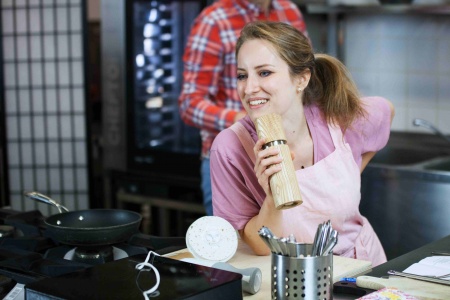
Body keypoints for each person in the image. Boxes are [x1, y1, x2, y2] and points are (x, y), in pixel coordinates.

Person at [210, 21, 395, 266]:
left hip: (364, 268)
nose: (250, 88)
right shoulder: (230, 147)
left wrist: (352, 170)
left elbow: (386, 110)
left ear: (301, 79)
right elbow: (257, 246)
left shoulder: (333, 119)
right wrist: (272, 199)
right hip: (296, 279)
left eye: (264, 72)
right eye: (242, 75)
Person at [178, 0, 309, 216]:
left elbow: (300, 74)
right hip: (234, 161)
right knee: (243, 246)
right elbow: (189, 103)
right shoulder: (214, 21)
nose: (249, 87)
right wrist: (247, 122)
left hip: (290, 155)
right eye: (241, 76)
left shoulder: (289, 11)